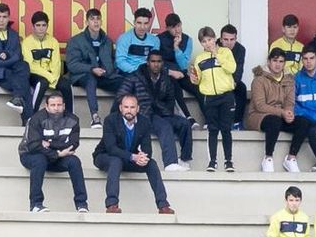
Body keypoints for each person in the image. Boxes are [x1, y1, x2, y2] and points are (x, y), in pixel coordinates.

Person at [94, 94, 172, 214]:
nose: (129, 110)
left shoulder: (144, 122)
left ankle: (163, 205)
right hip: (105, 156)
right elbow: (111, 148)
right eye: (126, 107)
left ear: (138, 109)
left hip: (128, 159)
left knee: (151, 164)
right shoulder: (110, 120)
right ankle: (112, 204)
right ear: (120, 108)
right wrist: (133, 157)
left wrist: (143, 157)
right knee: (116, 161)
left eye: (132, 107)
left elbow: (147, 148)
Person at [118, 50, 192, 170]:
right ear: (147, 62)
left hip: (162, 114)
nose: (156, 64)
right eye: (153, 61)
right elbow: (121, 97)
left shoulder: (166, 78)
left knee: (185, 123)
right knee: (165, 126)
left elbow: (170, 99)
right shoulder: (135, 77)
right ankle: (170, 163)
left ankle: (184, 158)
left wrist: (166, 112)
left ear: (162, 63)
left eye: (159, 61)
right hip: (143, 115)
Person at [18, 90, 87, 213]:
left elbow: (73, 144)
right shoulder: (36, 119)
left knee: (74, 161)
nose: (56, 108)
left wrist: (49, 144)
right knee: (39, 160)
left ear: (64, 106)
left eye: (59, 105)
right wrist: (57, 153)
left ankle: (82, 204)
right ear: (47, 106)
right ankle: (36, 204)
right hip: (30, 155)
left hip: (56, 157)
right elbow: (33, 146)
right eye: (53, 105)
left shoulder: (73, 119)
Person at [190, 26, 237, 172]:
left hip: (226, 96)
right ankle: (212, 161)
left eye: (210, 40)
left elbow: (231, 69)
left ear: (215, 39)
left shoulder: (226, 52)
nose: (208, 44)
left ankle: (228, 161)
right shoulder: (200, 58)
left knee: (226, 129)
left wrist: (217, 54)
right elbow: (198, 80)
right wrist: (194, 78)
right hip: (209, 97)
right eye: (204, 41)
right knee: (212, 130)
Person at [247, 50, 300, 172]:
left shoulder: (289, 80)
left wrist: (289, 113)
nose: (278, 64)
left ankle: (291, 158)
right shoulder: (259, 80)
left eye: (281, 61)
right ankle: (268, 158)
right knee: (274, 121)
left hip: (280, 116)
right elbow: (260, 105)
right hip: (258, 116)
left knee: (304, 123)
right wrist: (282, 113)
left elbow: (290, 102)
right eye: (275, 61)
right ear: (269, 62)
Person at [66, 7, 119, 126]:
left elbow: (112, 61)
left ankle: (113, 117)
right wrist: (91, 69)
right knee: (91, 79)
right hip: (83, 76)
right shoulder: (76, 40)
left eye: (98, 19)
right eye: (92, 19)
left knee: (124, 83)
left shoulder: (107, 41)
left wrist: (108, 71)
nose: (96, 22)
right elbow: (72, 65)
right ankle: (95, 117)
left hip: (103, 76)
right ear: (86, 22)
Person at [20, 11, 71, 119]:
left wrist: (53, 78)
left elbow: (56, 63)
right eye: (38, 25)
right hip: (34, 74)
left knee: (66, 85)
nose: (41, 28)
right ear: (33, 26)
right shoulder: (26, 42)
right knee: (42, 83)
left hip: (52, 75)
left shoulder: (53, 41)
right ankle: (30, 117)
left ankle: (69, 118)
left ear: (47, 26)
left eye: (44, 25)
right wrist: (49, 77)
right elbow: (30, 65)